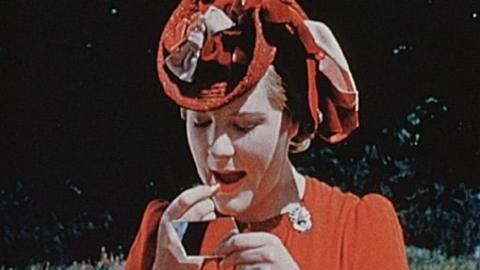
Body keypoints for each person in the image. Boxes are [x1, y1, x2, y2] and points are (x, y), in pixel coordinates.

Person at [126, 0, 409, 269]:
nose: (217, 148)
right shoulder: (168, 232)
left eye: (244, 125)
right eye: (201, 123)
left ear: (294, 121)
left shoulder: (356, 229)